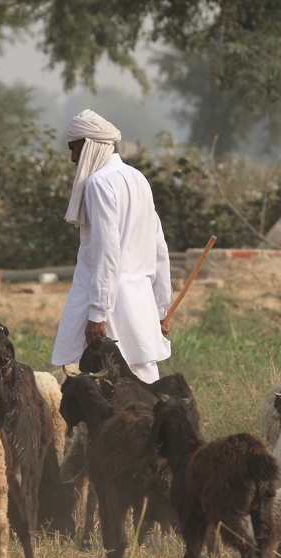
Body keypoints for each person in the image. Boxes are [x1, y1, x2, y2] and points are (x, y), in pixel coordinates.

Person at [51, 109, 172, 383]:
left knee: (100, 387)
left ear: (90, 145)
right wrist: (161, 309)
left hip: (110, 307)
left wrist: (97, 315)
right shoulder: (138, 178)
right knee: (145, 386)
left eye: (74, 149)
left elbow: (106, 252)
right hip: (139, 305)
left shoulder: (98, 183)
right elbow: (159, 248)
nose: (72, 158)